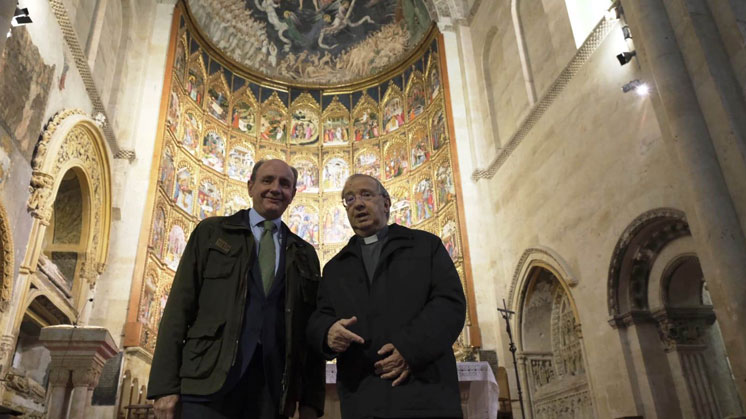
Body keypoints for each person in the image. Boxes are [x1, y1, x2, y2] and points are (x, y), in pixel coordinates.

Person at [148, 159, 325, 419]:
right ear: (250, 186)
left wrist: (311, 401)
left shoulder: (304, 254)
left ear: (293, 195)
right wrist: (165, 387)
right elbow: (178, 308)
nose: (275, 188)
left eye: (285, 184)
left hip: (273, 390)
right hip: (206, 381)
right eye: (267, 180)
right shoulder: (212, 233)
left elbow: (310, 329)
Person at [307, 174, 466, 419]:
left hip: (424, 392)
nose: (357, 203)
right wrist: (327, 332)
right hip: (363, 398)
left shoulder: (425, 246)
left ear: (386, 203)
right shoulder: (335, 267)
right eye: (349, 199)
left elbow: (449, 303)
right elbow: (320, 317)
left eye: (366, 195)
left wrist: (410, 349)